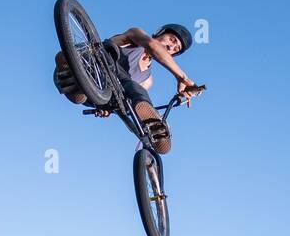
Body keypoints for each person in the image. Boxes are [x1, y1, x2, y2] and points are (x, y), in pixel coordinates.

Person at [54, 23, 204, 154]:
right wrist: (182, 77)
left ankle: (154, 127)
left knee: (133, 89)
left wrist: (109, 109)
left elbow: (125, 102)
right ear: (160, 33)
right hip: (91, 62)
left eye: (175, 49)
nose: (171, 46)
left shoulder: (147, 80)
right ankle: (69, 67)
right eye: (172, 39)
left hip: (99, 91)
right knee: (109, 52)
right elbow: (152, 45)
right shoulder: (135, 35)